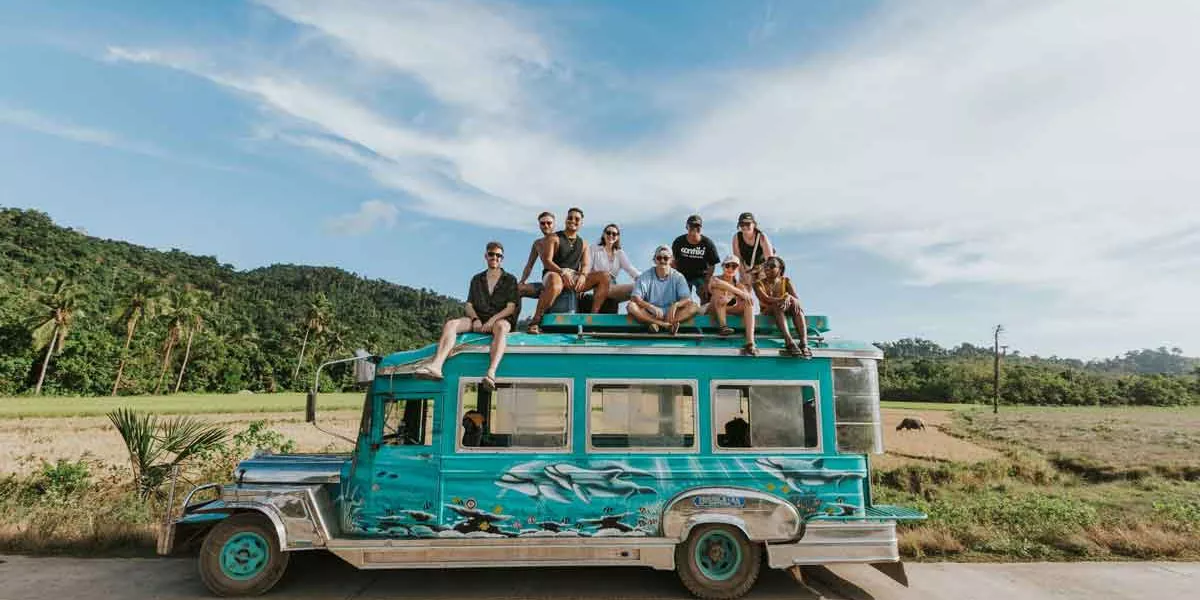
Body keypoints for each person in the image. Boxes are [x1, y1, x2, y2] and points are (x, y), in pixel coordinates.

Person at [415, 241, 518, 389]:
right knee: (451, 324)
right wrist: (475, 319)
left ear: (502, 258)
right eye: (491, 254)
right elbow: (469, 305)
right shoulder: (476, 279)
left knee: (501, 327)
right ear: (486, 256)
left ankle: (491, 372)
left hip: (499, 319)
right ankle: (436, 366)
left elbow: (510, 308)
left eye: (498, 255)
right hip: (478, 318)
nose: (494, 257)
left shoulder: (510, 279)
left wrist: (492, 320)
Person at [528, 207, 603, 332]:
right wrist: (562, 272)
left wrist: (583, 276)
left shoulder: (584, 243)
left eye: (576, 219)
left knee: (604, 277)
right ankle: (535, 321)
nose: (573, 221)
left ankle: (592, 319)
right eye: (570, 218)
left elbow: (585, 264)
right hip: (554, 273)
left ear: (581, 223)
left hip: (573, 276)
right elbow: (547, 261)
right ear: (565, 220)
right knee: (556, 284)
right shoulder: (553, 237)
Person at [629, 245, 699, 334]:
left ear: (671, 260)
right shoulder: (645, 275)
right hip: (652, 313)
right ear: (654, 260)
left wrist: (675, 305)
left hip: (672, 313)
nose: (662, 261)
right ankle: (665, 325)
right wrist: (650, 307)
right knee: (631, 306)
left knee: (694, 306)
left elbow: (687, 299)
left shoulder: (678, 276)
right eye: (659, 258)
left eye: (666, 258)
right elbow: (635, 297)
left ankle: (661, 324)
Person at [752, 256, 812, 358]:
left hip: (785, 308)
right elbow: (765, 299)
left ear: (780, 269)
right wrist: (783, 299)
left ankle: (804, 343)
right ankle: (789, 341)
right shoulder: (758, 284)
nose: (767, 268)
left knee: (797, 307)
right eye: (765, 266)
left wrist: (789, 297)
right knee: (777, 305)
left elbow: (796, 299)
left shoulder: (786, 281)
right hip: (767, 311)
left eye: (772, 266)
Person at [706, 255, 758, 356]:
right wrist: (739, 293)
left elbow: (749, 298)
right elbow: (718, 283)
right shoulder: (715, 278)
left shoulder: (739, 284)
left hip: (729, 308)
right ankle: (723, 326)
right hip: (715, 308)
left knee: (749, 303)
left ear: (737, 269)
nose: (730, 269)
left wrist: (734, 297)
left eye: (734, 266)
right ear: (722, 266)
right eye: (727, 265)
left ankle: (750, 342)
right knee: (719, 293)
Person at [584, 223, 640, 312]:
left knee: (639, 288)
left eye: (614, 234)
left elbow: (630, 269)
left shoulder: (619, 253)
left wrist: (644, 280)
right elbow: (587, 267)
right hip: (598, 284)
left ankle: (643, 315)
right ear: (603, 234)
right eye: (608, 233)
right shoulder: (594, 249)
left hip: (613, 286)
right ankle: (594, 312)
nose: (611, 235)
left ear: (617, 237)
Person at [670, 214, 720, 303]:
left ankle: (705, 313)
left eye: (697, 226)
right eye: (691, 226)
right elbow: (673, 262)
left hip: (701, 276)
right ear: (686, 227)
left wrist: (707, 282)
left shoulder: (708, 243)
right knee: (682, 299)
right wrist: (676, 278)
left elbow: (712, 264)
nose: (694, 228)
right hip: (683, 275)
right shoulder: (679, 242)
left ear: (701, 228)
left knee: (706, 295)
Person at [731, 211, 775, 287]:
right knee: (742, 291)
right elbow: (738, 259)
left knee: (765, 290)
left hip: (763, 266)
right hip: (747, 266)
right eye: (742, 224)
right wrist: (743, 274)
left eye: (748, 224)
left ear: (754, 224)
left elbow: (770, 259)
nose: (744, 226)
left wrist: (768, 275)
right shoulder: (737, 237)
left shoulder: (761, 237)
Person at [518, 211, 556, 298]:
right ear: (539, 225)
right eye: (543, 223)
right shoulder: (538, 244)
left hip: (559, 281)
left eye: (549, 223)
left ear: (554, 224)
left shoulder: (560, 239)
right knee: (517, 289)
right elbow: (529, 265)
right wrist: (522, 281)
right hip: (545, 283)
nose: (546, 226)